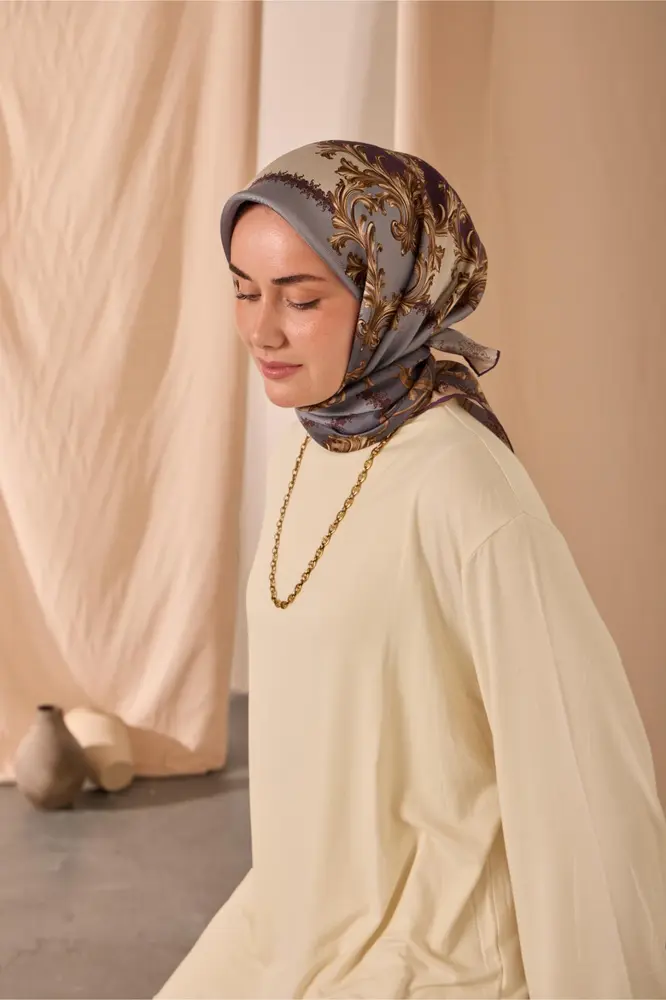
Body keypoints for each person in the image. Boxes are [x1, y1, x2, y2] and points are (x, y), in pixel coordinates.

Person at [156, 141, 666, 1000]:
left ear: (390, 296)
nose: (261, 330)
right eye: (243, 290)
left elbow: (578, 770)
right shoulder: (311, 441)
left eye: (301, 298)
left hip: (438, 947)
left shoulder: (466, 489)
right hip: (298, 915)